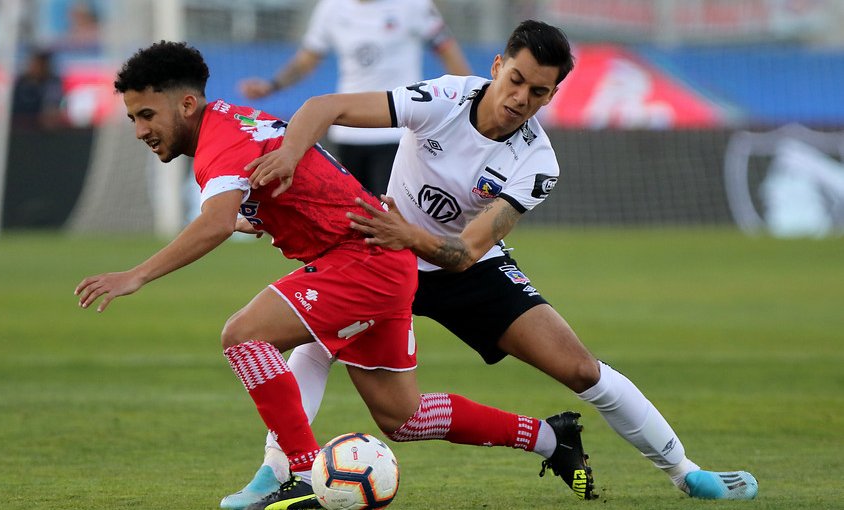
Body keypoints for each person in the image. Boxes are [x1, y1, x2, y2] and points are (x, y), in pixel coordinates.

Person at [235, 19, 760, 506]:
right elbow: (323, 106)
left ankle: (684, 471)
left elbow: (465, 252)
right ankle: (277, 471)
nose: (520, 98)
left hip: (465, 267)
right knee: (331, 354)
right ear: (495, 67)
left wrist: (406, 234)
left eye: (538, 92)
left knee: (579, 368)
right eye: (516, 79)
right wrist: (288, 157)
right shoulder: (443, 97)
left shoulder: (538, 162)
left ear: (553, 95)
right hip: (385, 259)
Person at [74, 41, 595, 510]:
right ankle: (551, 438)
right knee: (404, 418)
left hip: (362, 262)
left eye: (146, 115)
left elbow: (211, 225)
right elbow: (296, 184)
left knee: (244, 336)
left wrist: (136, 276)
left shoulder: (220, 141)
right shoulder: (234, 124)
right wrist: (254, 214)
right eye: (133, 119)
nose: (141, 130)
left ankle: (299, 474)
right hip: (377, 263)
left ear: (186, 105)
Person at [238, 0, 471, 196]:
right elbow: (307, 59)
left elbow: (448, 52)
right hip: (349, 131)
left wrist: (473, 100)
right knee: (350, 219)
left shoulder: (413, 5)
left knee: (390, 217)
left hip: (398, 131)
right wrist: (271, 86)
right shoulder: (332, 8)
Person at [12, 48, 65, 129]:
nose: (34, 66)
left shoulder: (53, 82)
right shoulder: (22, 82)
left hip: (42, 129)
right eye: (33, 62)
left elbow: (52, 107)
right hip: (19, 127)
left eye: (39, 63)